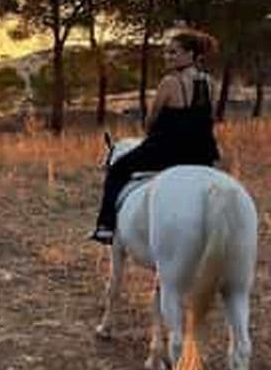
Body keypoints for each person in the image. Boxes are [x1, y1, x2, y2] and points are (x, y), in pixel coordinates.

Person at [89, 29, 220, 244]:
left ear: (191, 55)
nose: (168, 57)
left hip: (166, 151)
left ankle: (105, 226)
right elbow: (210, 118)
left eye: (174, 52)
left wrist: (151, 130)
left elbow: (151, 119)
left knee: (117, 169)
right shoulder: (209, 83)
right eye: (167, 53)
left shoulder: (169, 82)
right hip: (202, 154)